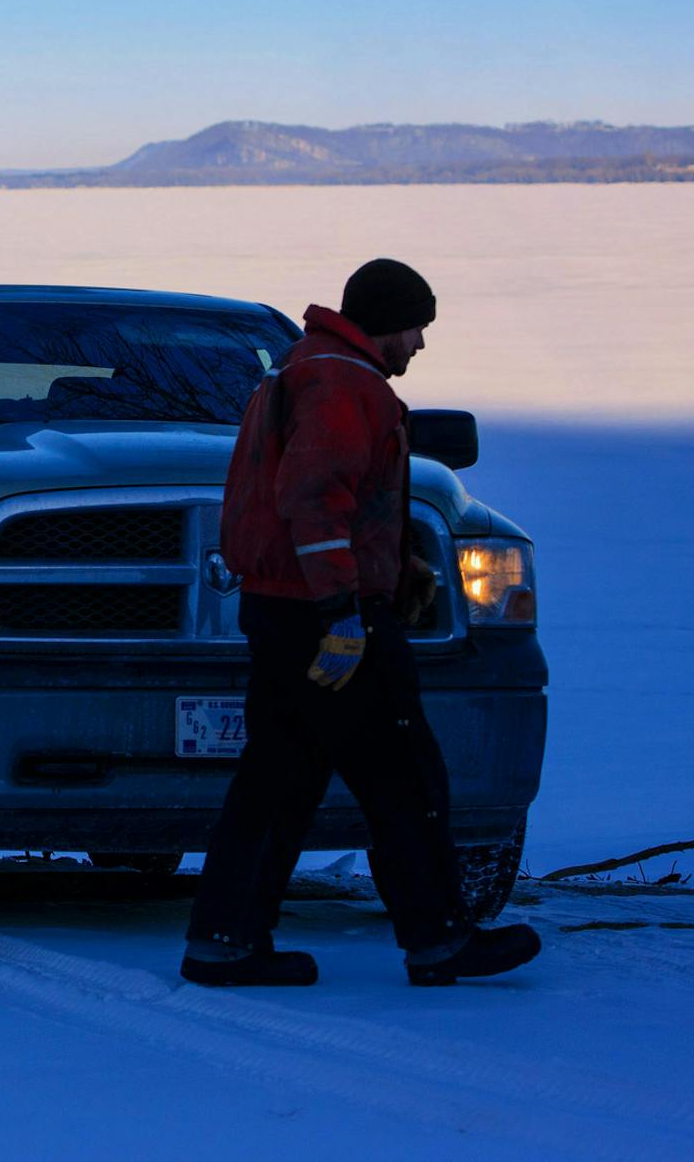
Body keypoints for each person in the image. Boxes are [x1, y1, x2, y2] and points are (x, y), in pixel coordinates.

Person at [183, 259, 541, 988]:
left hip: (283, 607)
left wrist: (397, 567)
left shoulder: (302, 366)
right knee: (403, 773)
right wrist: (344, 612)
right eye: (416, 326)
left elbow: (340, 499)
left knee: (279, 777)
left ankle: (225, 938)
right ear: (386, 319)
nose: (419, 344)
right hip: (326, 619)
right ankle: (439, 938)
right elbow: (315, 499)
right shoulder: (346, 381)